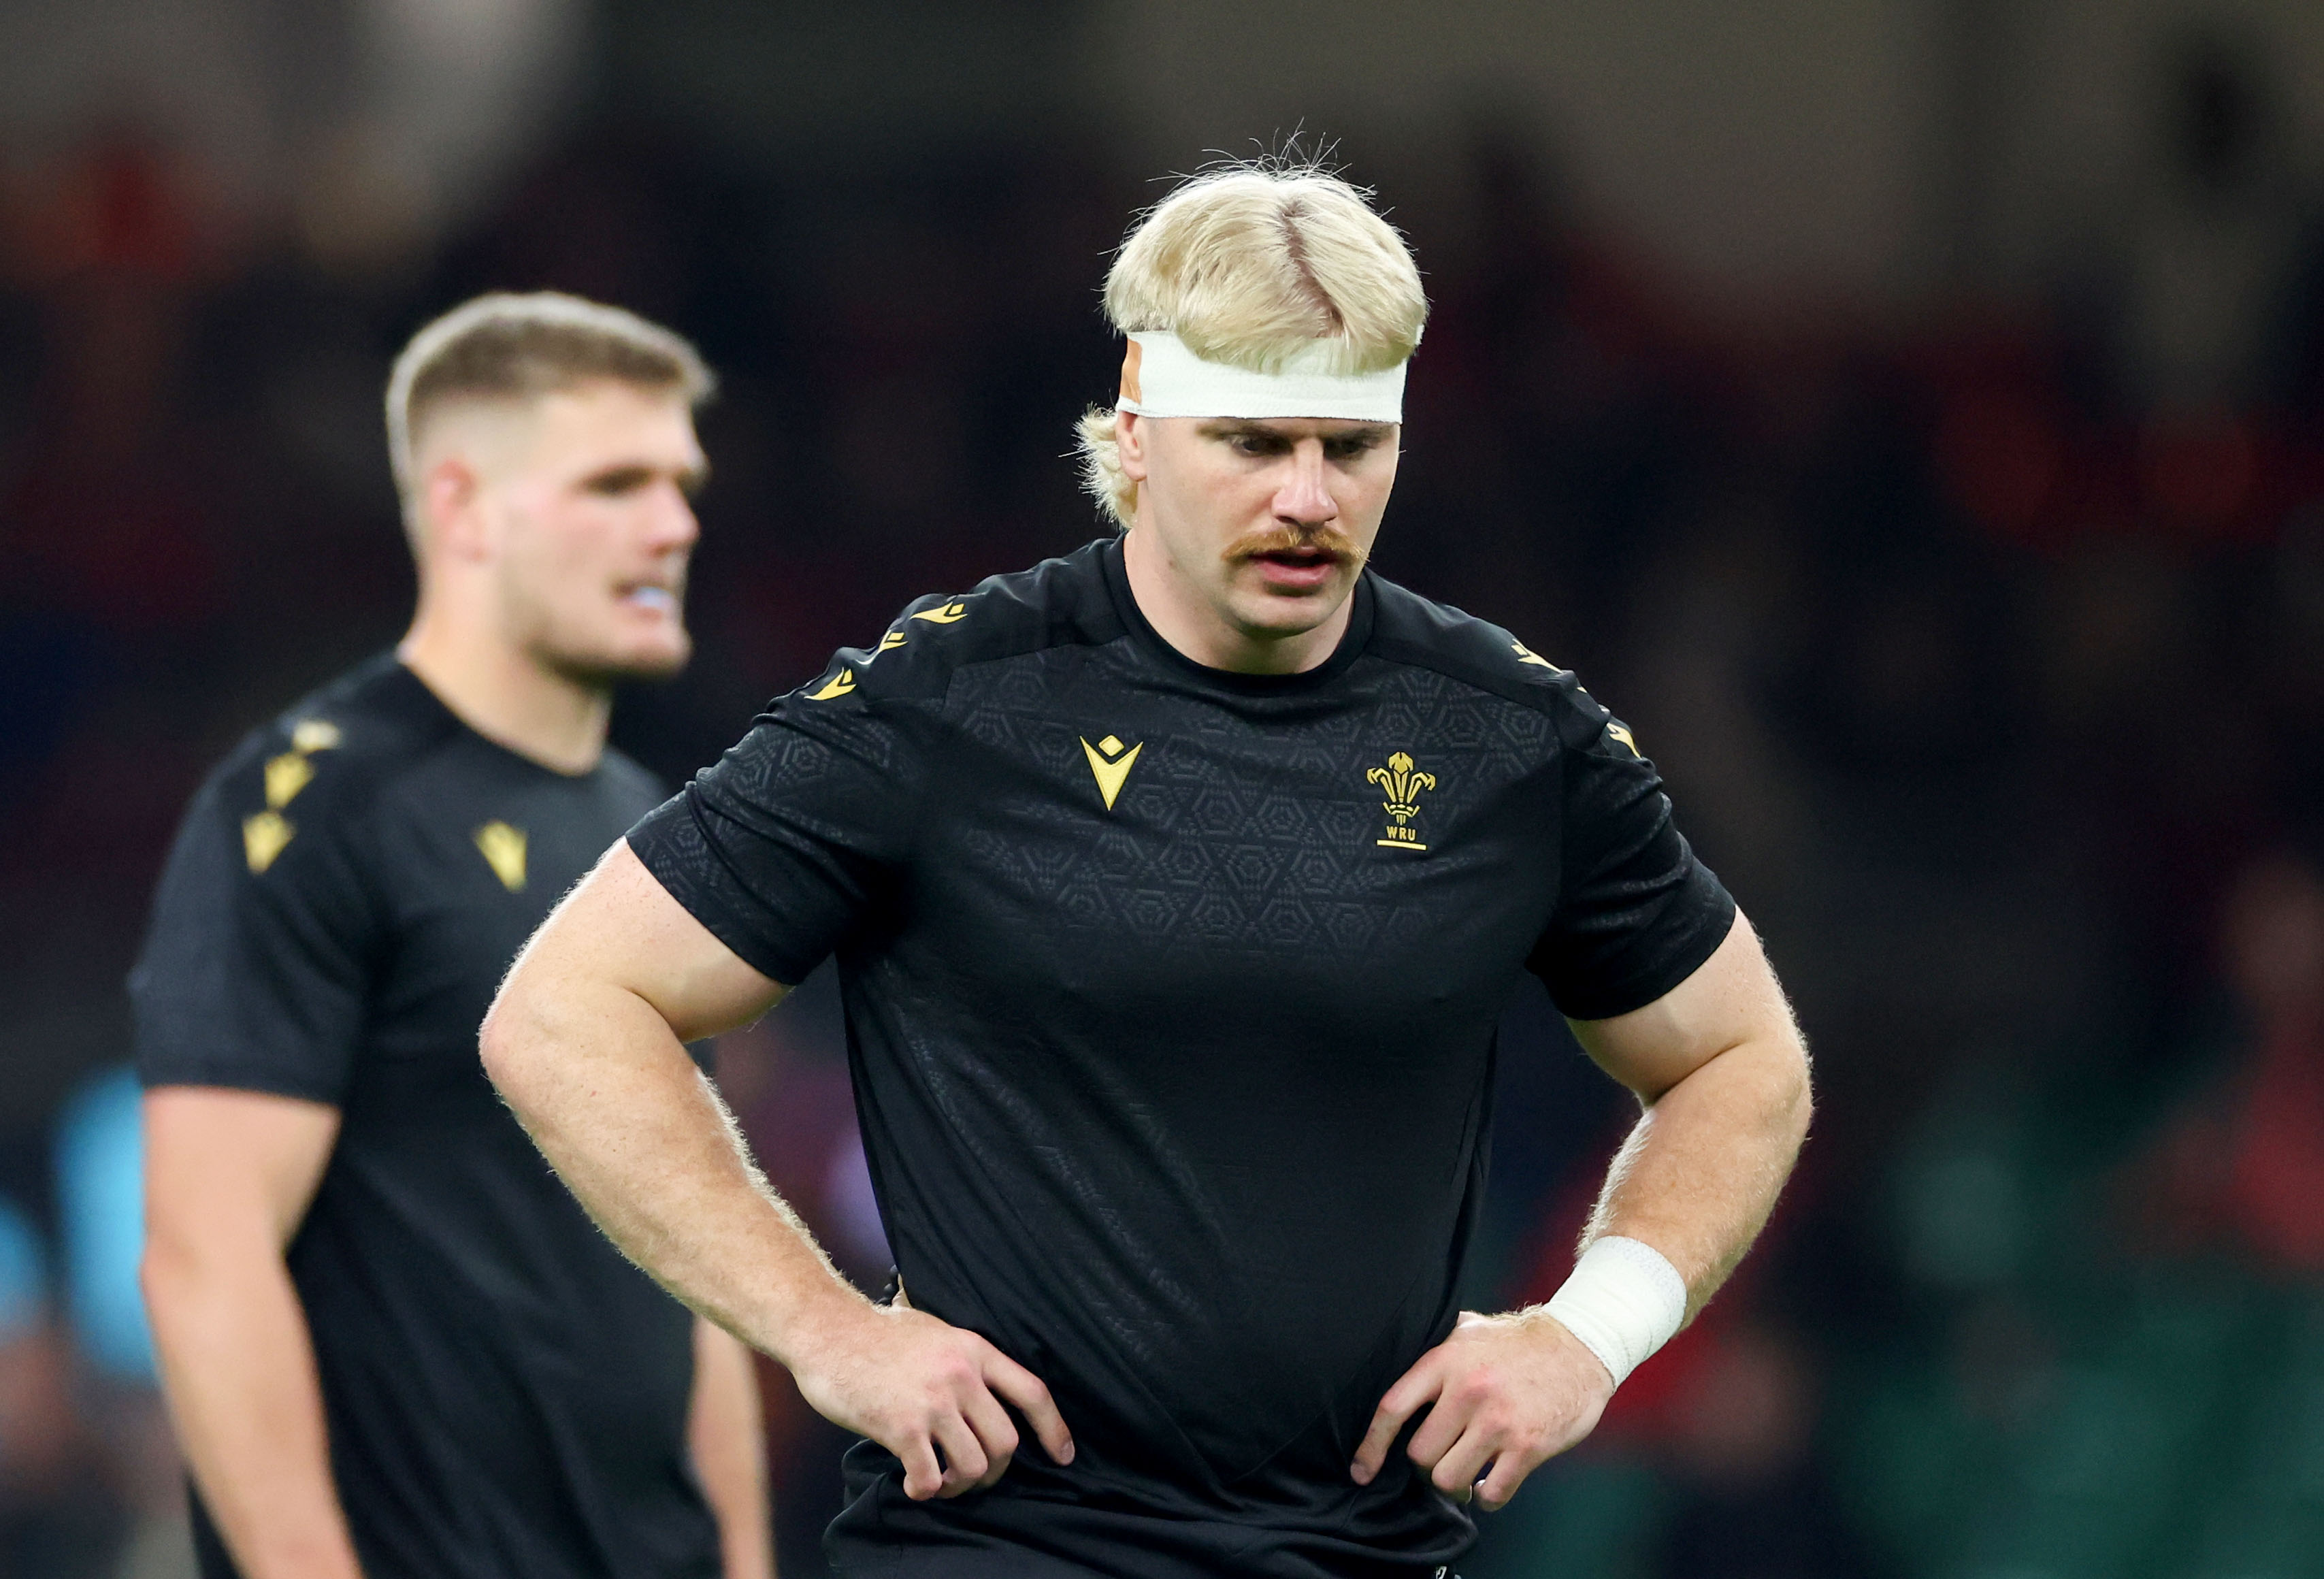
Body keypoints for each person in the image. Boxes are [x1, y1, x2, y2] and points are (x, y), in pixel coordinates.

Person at [481, 164, 1812, 1579]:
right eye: (1251, 438)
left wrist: (1582, 1334)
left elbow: (1743, 1058)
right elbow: (565, 1009)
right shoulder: (953, 701)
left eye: (1350, 444)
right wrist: (826, 1329)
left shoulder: (1505, 734)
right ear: (1137, 419)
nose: (1307, 494)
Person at [131, 293, 774, 1579]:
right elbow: (206, 1257)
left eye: (682, 483)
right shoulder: (303, 811)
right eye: (615, 483)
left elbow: (695, 1255)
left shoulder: (651, 830)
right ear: (466, 508)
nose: (674, 524)